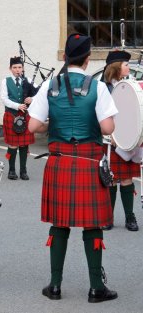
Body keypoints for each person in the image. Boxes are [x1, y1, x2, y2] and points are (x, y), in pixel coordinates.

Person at [28, 33, 118, 302]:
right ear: (88, 59)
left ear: (65, 58)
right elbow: (107, 128)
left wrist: (53, 123)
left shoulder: (48, 86)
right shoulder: (99, 87)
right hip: (89, 162)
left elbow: (33, 127)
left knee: (60, 224)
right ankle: (95, 288)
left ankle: (54, 286)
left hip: (59, 162)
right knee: (92, 225)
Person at [102, 50, 139, 231]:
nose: (128, 67)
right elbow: (101, 115)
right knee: (111, 179)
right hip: (111, 140)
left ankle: (130, 217)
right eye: (126, 64)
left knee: (126, 179)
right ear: (116, 68)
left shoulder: (130, 86)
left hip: (128, 140)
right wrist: (112, 137)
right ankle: (108, 217)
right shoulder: (104, 89)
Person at [0, 57, 36, 180]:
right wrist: (17, 105)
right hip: (11, 115)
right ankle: (11, 170)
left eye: (19, 67)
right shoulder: (6, 81)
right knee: (12, 144)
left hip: (25, 116)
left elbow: (39, 94)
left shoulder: (28, 80)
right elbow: (4, 99)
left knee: (24, 145)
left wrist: (32, 99)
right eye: (14, 67)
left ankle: (23, 171)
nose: (17, 70)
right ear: (10, 69)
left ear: (23, 68)